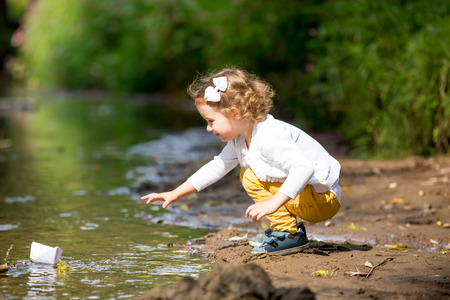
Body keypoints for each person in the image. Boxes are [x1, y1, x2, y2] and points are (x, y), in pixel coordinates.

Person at [141, 68, 341, 255]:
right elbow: (217, 166)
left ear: (235, 113)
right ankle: (287, 231)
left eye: (211, 121)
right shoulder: (241, 139)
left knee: (249, 176)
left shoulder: (269, 136)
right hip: (308, 197)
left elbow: (303, 168)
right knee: (248, 174)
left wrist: (274, 203)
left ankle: (288, 234)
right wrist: (175, 193)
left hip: (323, 199)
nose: (208, 128)